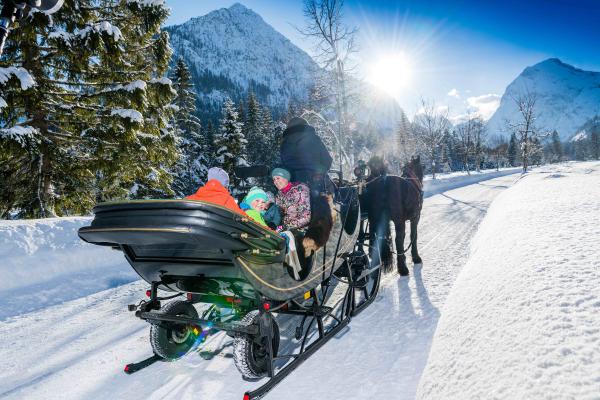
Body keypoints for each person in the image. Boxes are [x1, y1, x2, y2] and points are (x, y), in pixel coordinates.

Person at [280, 117, 333, 194]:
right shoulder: (314, 138)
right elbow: (327, 160)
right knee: (333, 194)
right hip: (315, 182)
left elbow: (283, 163)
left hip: (292, 182)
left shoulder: (284, 144)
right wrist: (319, 172)